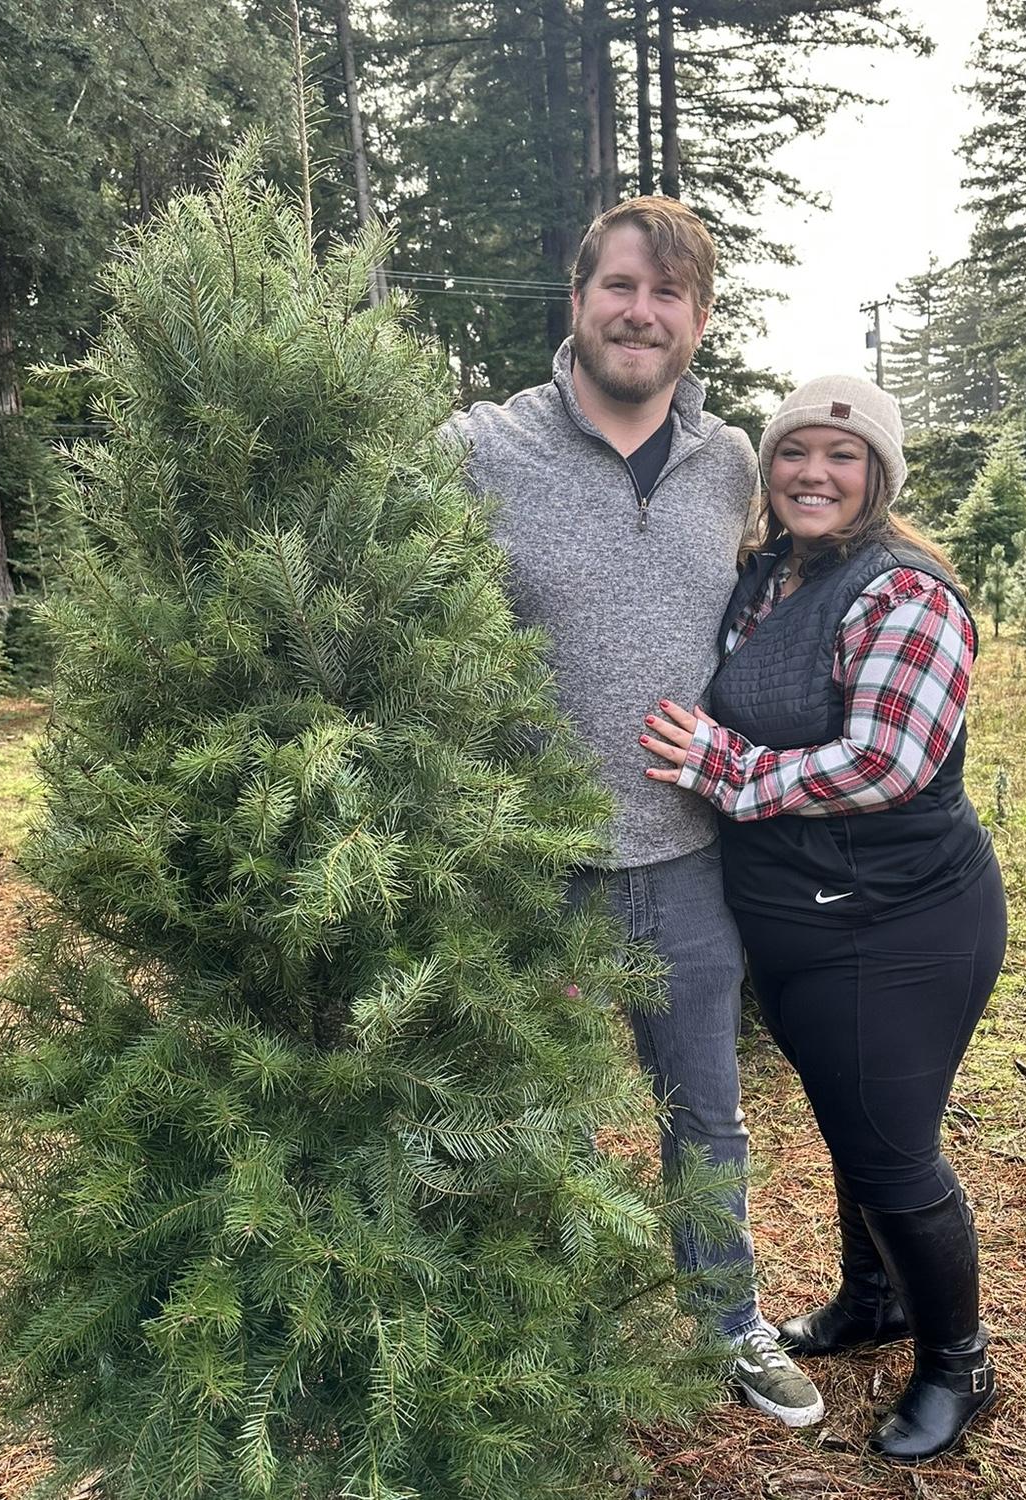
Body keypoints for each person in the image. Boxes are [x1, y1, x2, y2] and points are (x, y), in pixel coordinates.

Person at [443, 199, 825, 1427]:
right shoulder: (481, 448)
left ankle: (727, 1320)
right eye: (620, 286)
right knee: (526, 1107)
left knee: (704, 1112)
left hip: (685, 857)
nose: (640, 313)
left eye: (668, 296)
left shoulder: (730, 466)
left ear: (698, 321)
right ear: (579, 299)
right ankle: (538, 1328)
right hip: (528, 860)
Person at [642, 375, 1006, 1462]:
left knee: (894, 1153)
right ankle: (873, 1301)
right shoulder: (769, 576)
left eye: (842, 458)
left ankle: (960, 1361)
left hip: (903, 923)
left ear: (879, 476)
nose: (814, 473)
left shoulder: (910, 597)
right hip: (800, 916)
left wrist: (724, 769)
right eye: (795, 452)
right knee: (850, 1118)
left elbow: (887, 762)